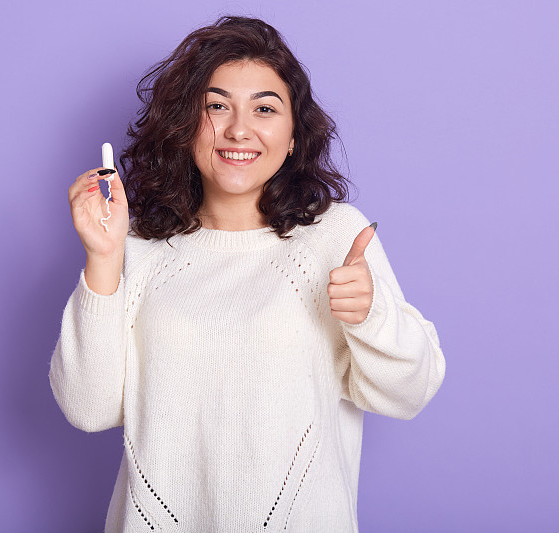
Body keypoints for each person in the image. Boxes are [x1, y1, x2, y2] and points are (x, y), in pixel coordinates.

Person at [50, 15, 446, 532]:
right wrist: (103, 258)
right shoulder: (140, 247)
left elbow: (410, 392)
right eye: (217, 107)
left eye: (264, 108)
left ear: (291, 137)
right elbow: (88, 408)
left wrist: (371, 316)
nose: (239, 129)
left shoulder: (335, 237)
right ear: (184, 126)